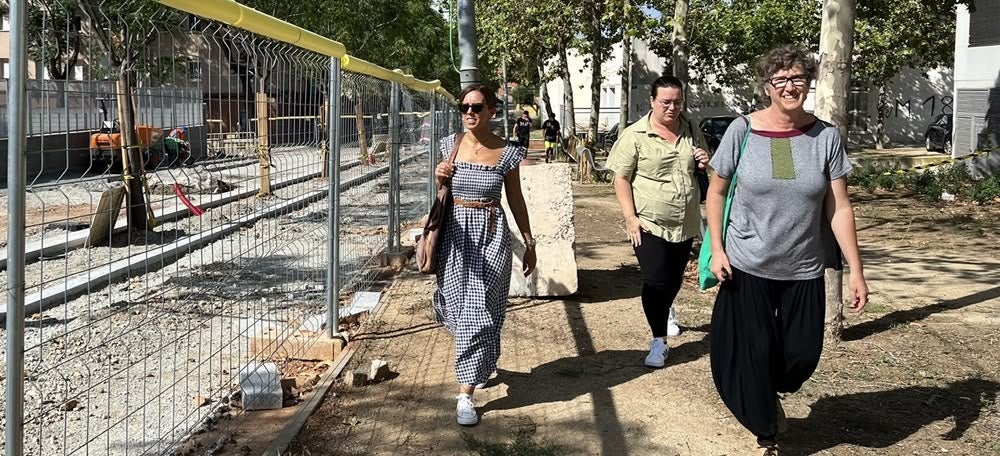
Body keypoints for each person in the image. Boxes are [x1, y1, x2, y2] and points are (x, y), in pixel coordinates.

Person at [705, 45, 869, 456]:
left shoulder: (825, 137)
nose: (790, 86)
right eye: (781, 79)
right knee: (754, 352)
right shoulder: (742, 130)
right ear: (767, 87)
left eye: (798, 78)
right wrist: (719, 250)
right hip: (748, 264)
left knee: (801, 356)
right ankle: (767, 432)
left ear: (809, 83)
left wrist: (856, 270)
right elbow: (717, 192)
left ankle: (770, 390)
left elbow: (839, 208)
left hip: (804, 267)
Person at [434, 84, 537, 426]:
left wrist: (529, 241)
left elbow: (516, 199)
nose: (469, 113)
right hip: (454, 237)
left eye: (477, 107)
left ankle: (465, 395)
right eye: (464, 107)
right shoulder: (450, 145)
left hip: (492, 236)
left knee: (480, 310)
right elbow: (440, 195)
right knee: (456, 309)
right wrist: (439, 177)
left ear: (493, 111)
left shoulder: (508, 153)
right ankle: (483, 359)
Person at [606, 76, 711, 368]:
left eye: (677, 101)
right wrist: (630, 217)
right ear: (652, 101)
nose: (672, 107)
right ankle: (658, 341)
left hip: (684, 219)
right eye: (666, 102)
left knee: (674, 278)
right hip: (648, 221)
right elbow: (621, 179)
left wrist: (703, 160)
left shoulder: (690, 129)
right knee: (655, 279)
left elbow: (700, 166)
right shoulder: (635, 134)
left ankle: (666, 309)